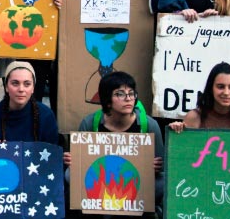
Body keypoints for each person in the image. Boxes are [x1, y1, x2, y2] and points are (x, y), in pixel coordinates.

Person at [63, 71, 164, 216]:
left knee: (162, 184)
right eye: (120, 94)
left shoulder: (149, 125)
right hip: (101, 181)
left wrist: (154, 166)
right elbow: (80, 163)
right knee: (69, 174)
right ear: (107, 100)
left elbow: (162, 167)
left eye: (131, 93)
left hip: (134, 183)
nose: (128, 98)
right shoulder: (91, 123)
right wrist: (73, 160)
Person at [0, 61, 59, 143]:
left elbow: (53, 151)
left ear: (33, 88)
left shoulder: (46, 115)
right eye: (15, 83)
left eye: (27, 84)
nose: (21, 89)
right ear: (6, 87)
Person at [170, 62, 230, 131]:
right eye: (220, 87)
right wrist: (177, 130)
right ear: (211, 88)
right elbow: (183, 145)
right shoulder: (195, 117)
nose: (226, 92)